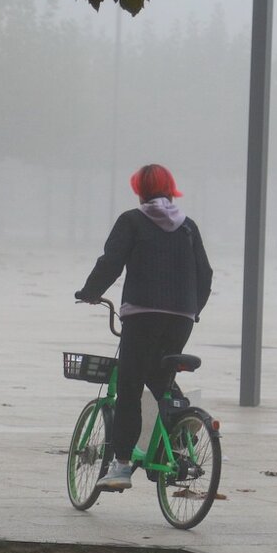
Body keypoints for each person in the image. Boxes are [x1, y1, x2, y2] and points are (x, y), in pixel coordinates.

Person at [75, 163, 213, 491]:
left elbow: (110, 261)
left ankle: (121, 464)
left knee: (130, 385)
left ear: (139, 189)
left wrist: (91, 292)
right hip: (181, 317)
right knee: (161, 378)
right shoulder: (188, 227)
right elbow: (205, 274)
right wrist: (192, 310)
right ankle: (177, 433)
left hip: (142, 315)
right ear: (171, 189)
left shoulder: (132, 221)